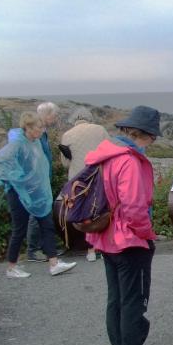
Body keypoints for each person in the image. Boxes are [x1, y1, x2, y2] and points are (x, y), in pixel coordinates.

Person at [84, 106, 164, 345]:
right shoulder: (128, 160)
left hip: (105, 236)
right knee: (134, 300)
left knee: (116, 298)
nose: (152, 143)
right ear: (144, 134)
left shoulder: (104, 155)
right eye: (152, 137)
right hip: (129, 240)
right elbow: (134, 207)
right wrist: (147, 233)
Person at [0, 112, 78, 279]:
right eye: (39, 127)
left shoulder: (35, 142)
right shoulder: (16, 144)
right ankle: (11, 267)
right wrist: (18, 178)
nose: (42, 130)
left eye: (42, 127)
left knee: (47, 224)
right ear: (28, 127)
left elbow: (39, 166)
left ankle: (54, 264)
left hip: (36, 193)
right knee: (19, 229)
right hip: (18, 193)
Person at [59, 108, 110, 261]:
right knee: (101, 210)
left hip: (78, 180)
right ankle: (103, 246)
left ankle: (90, 250)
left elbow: (65, 163)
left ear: (74, 120)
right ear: (90, 118)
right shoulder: (100, 130)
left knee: (84, 214)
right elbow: (110, 151)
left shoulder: (67, 135)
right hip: (97, 176)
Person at [24, 103, 60, 262]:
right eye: (54, 115)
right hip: (36, 181)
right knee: (37, 214)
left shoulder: (42, 133)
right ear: (46, 115)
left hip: (43, 179)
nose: (55, 118)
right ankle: (33, 250)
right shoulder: (35, 134)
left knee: (44, 214)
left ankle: (47, 248)